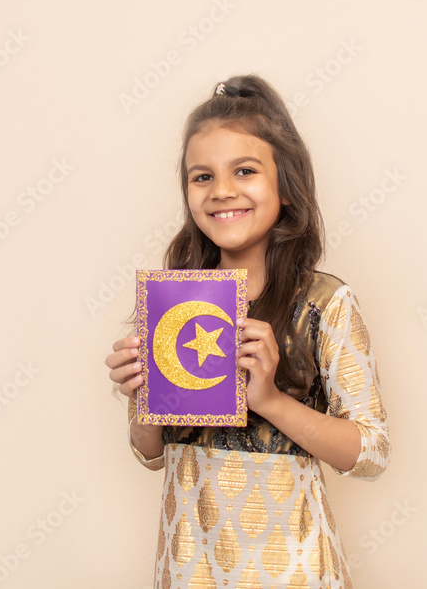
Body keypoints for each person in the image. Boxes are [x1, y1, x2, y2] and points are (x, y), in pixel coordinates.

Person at [105, 75, 389, 588]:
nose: (222, 191)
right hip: (189, 566)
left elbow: (371, 453)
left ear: (287, 184)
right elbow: (150, 453)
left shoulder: (324, 303)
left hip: (294, 570)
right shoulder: (175, 303)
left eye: (245, 170)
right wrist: (143, 399)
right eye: (202, 176)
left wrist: (270, 400)